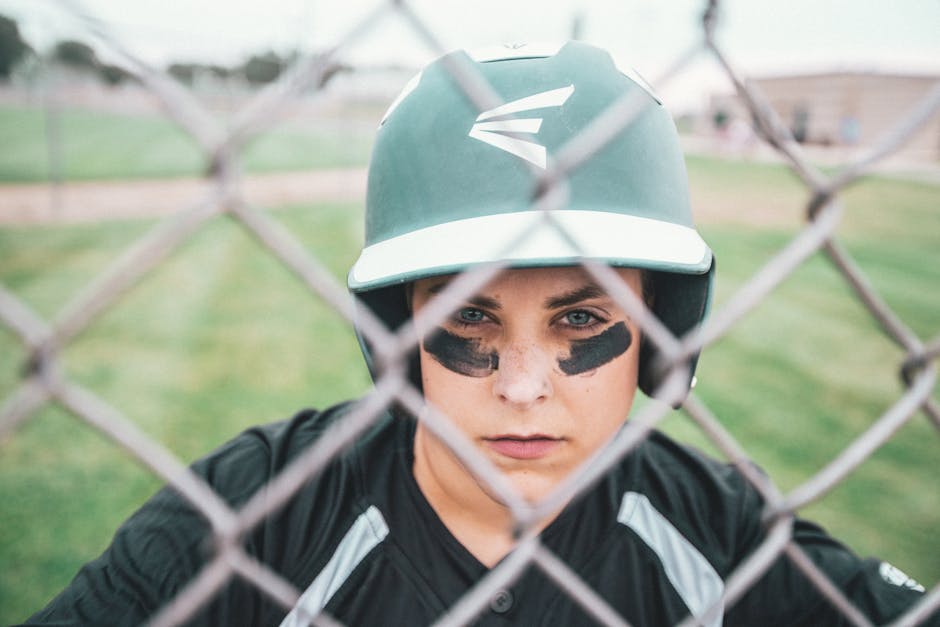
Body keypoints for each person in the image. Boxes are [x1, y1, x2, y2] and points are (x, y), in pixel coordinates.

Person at [22, 41, 935, 627]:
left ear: (657, 333)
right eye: (468, 316)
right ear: (397, 332)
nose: (525, 386)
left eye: (581, 317)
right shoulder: (258, 514)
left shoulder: (715, 530)